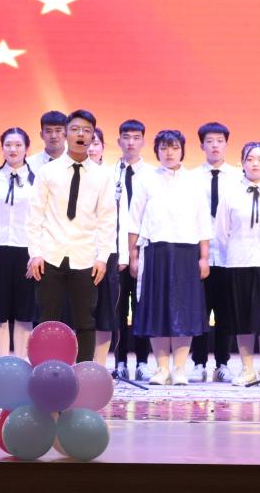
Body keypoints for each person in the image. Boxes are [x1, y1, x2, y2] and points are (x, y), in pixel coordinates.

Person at [26, 109, 115, 363]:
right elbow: (35, 215)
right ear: (66, 134)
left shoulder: (102, 175)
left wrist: (102, 257)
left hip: (85, 256)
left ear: (93, 137)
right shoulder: (48, 171)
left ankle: (84, 370)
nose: (80, 135)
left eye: (86, 131)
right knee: (47, 319)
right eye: (75, 129)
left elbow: (107, 218)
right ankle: (45, 369)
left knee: (85, 320)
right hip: (50, 254)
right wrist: (35, 253)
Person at [129, 130, 211, 385]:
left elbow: (203, 221)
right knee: (158, 310)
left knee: (184, 311)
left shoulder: (194, 181)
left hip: (187, 252)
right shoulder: (146, 179)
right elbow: (134, 220)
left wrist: (204, 256)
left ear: (182, 150)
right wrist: (133, 255)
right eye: (164, 148)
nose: (169, 153)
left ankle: (180, 369)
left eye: (174, 147)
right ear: (157, 151)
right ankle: (162, 368)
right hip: (155, 251)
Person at [215, 142, 260, 386]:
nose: (255, 164)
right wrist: (235, 253)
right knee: (242, 317)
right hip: (239, 261)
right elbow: (222, 231)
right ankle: (247, 369)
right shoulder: (231, 192)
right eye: (250, 159)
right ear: (242, 162)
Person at [0, 128, 38, 358]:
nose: (13, 149)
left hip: (27, 251)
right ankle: (2, 361)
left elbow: (41, 219)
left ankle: (21, 362)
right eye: (8, 145)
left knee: (25, 312)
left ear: (26, 148)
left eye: (18, 145)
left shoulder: (37, 181)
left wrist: (37, 253)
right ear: (1, 148)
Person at [190, 122, 239, 383]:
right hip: (200, 254)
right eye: (209, 141)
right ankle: (198, 363)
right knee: (199, 310)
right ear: (202, 145)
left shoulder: (238, 177)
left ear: (226, 144)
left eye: (219, 141)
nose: (215, 146)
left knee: (225, 313)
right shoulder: (191, 177)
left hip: (229, 255)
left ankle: (223, 363)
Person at [108, 119, 154, 380]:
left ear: (143, 142)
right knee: (117, 309)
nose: (131, 142)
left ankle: (143, 361)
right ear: (119, 141)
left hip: (144, 251)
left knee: (142, 307)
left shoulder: (152, 175)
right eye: (126, 137)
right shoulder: (109, 174)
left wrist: (136, 250)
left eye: (136, 137)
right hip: (115, 252)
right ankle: (120, 360)